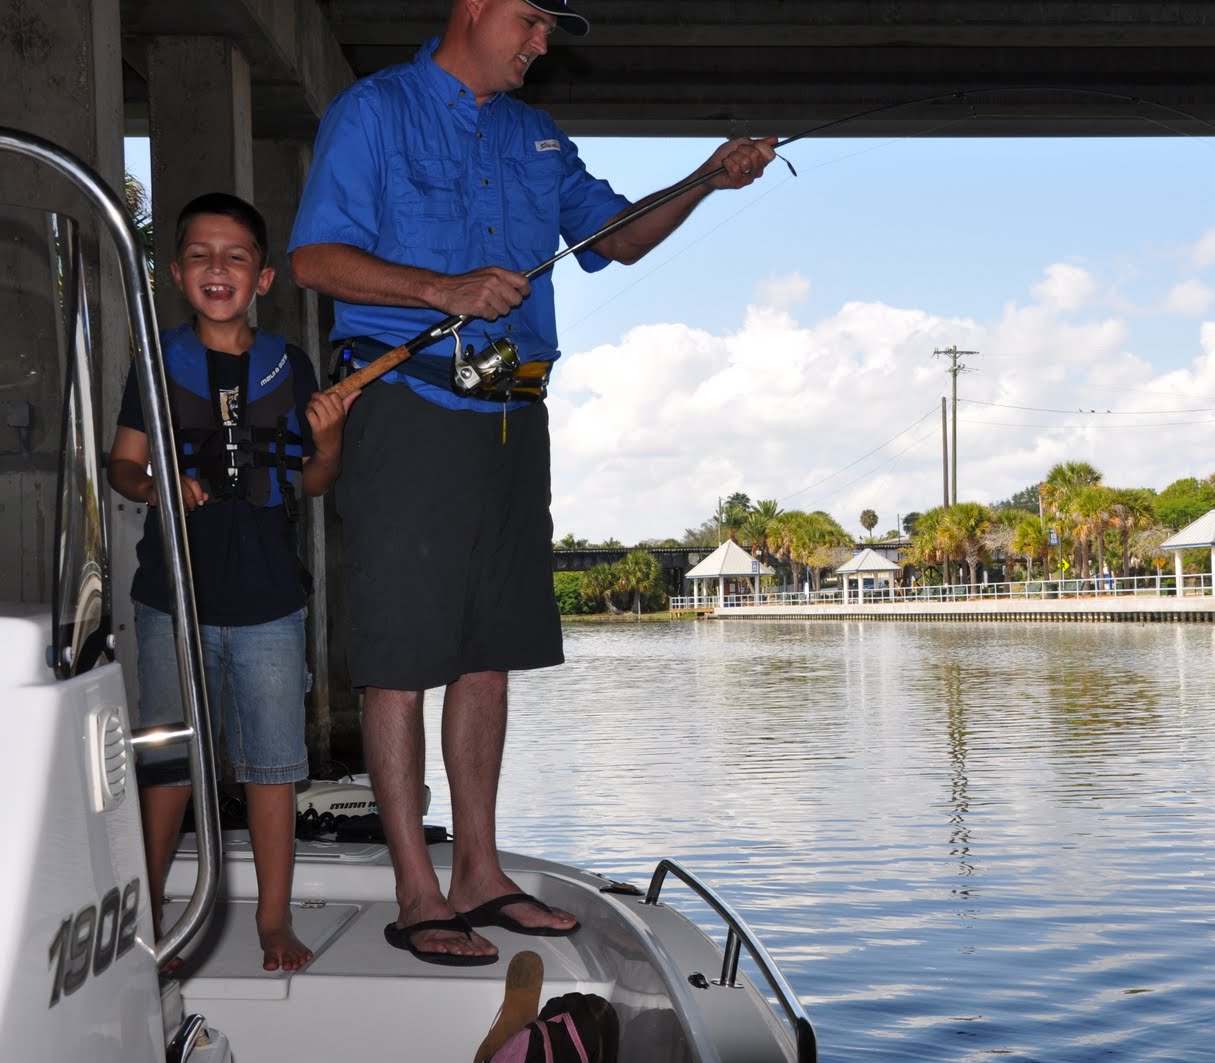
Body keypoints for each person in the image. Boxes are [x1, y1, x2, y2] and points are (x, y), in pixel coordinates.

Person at [287, 0, 776, 966]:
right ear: (474, 7)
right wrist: (443, 288)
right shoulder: (374, 111)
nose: (542, 42)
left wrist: (705, 180)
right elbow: (313, 257)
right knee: (399, 658)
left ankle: (479, 870)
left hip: (515, 415)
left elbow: (616, 239)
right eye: (532, 21)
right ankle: (417, 891)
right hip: (407, 406)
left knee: (488, 652)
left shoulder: (538, 133)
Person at [109, 192, 357, 972]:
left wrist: (331, 438)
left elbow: (314, 478)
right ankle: (147, 919)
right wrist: (156, 484)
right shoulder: (155, 361)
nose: (218, 268)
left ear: (264, 278)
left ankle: (273, 921)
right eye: (201, 255)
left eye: (236, 256)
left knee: (273, 770)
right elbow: (123, 462)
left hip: (270, 605)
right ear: (176, 273)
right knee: (167, 768)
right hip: (171, 603)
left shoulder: (292, 365)